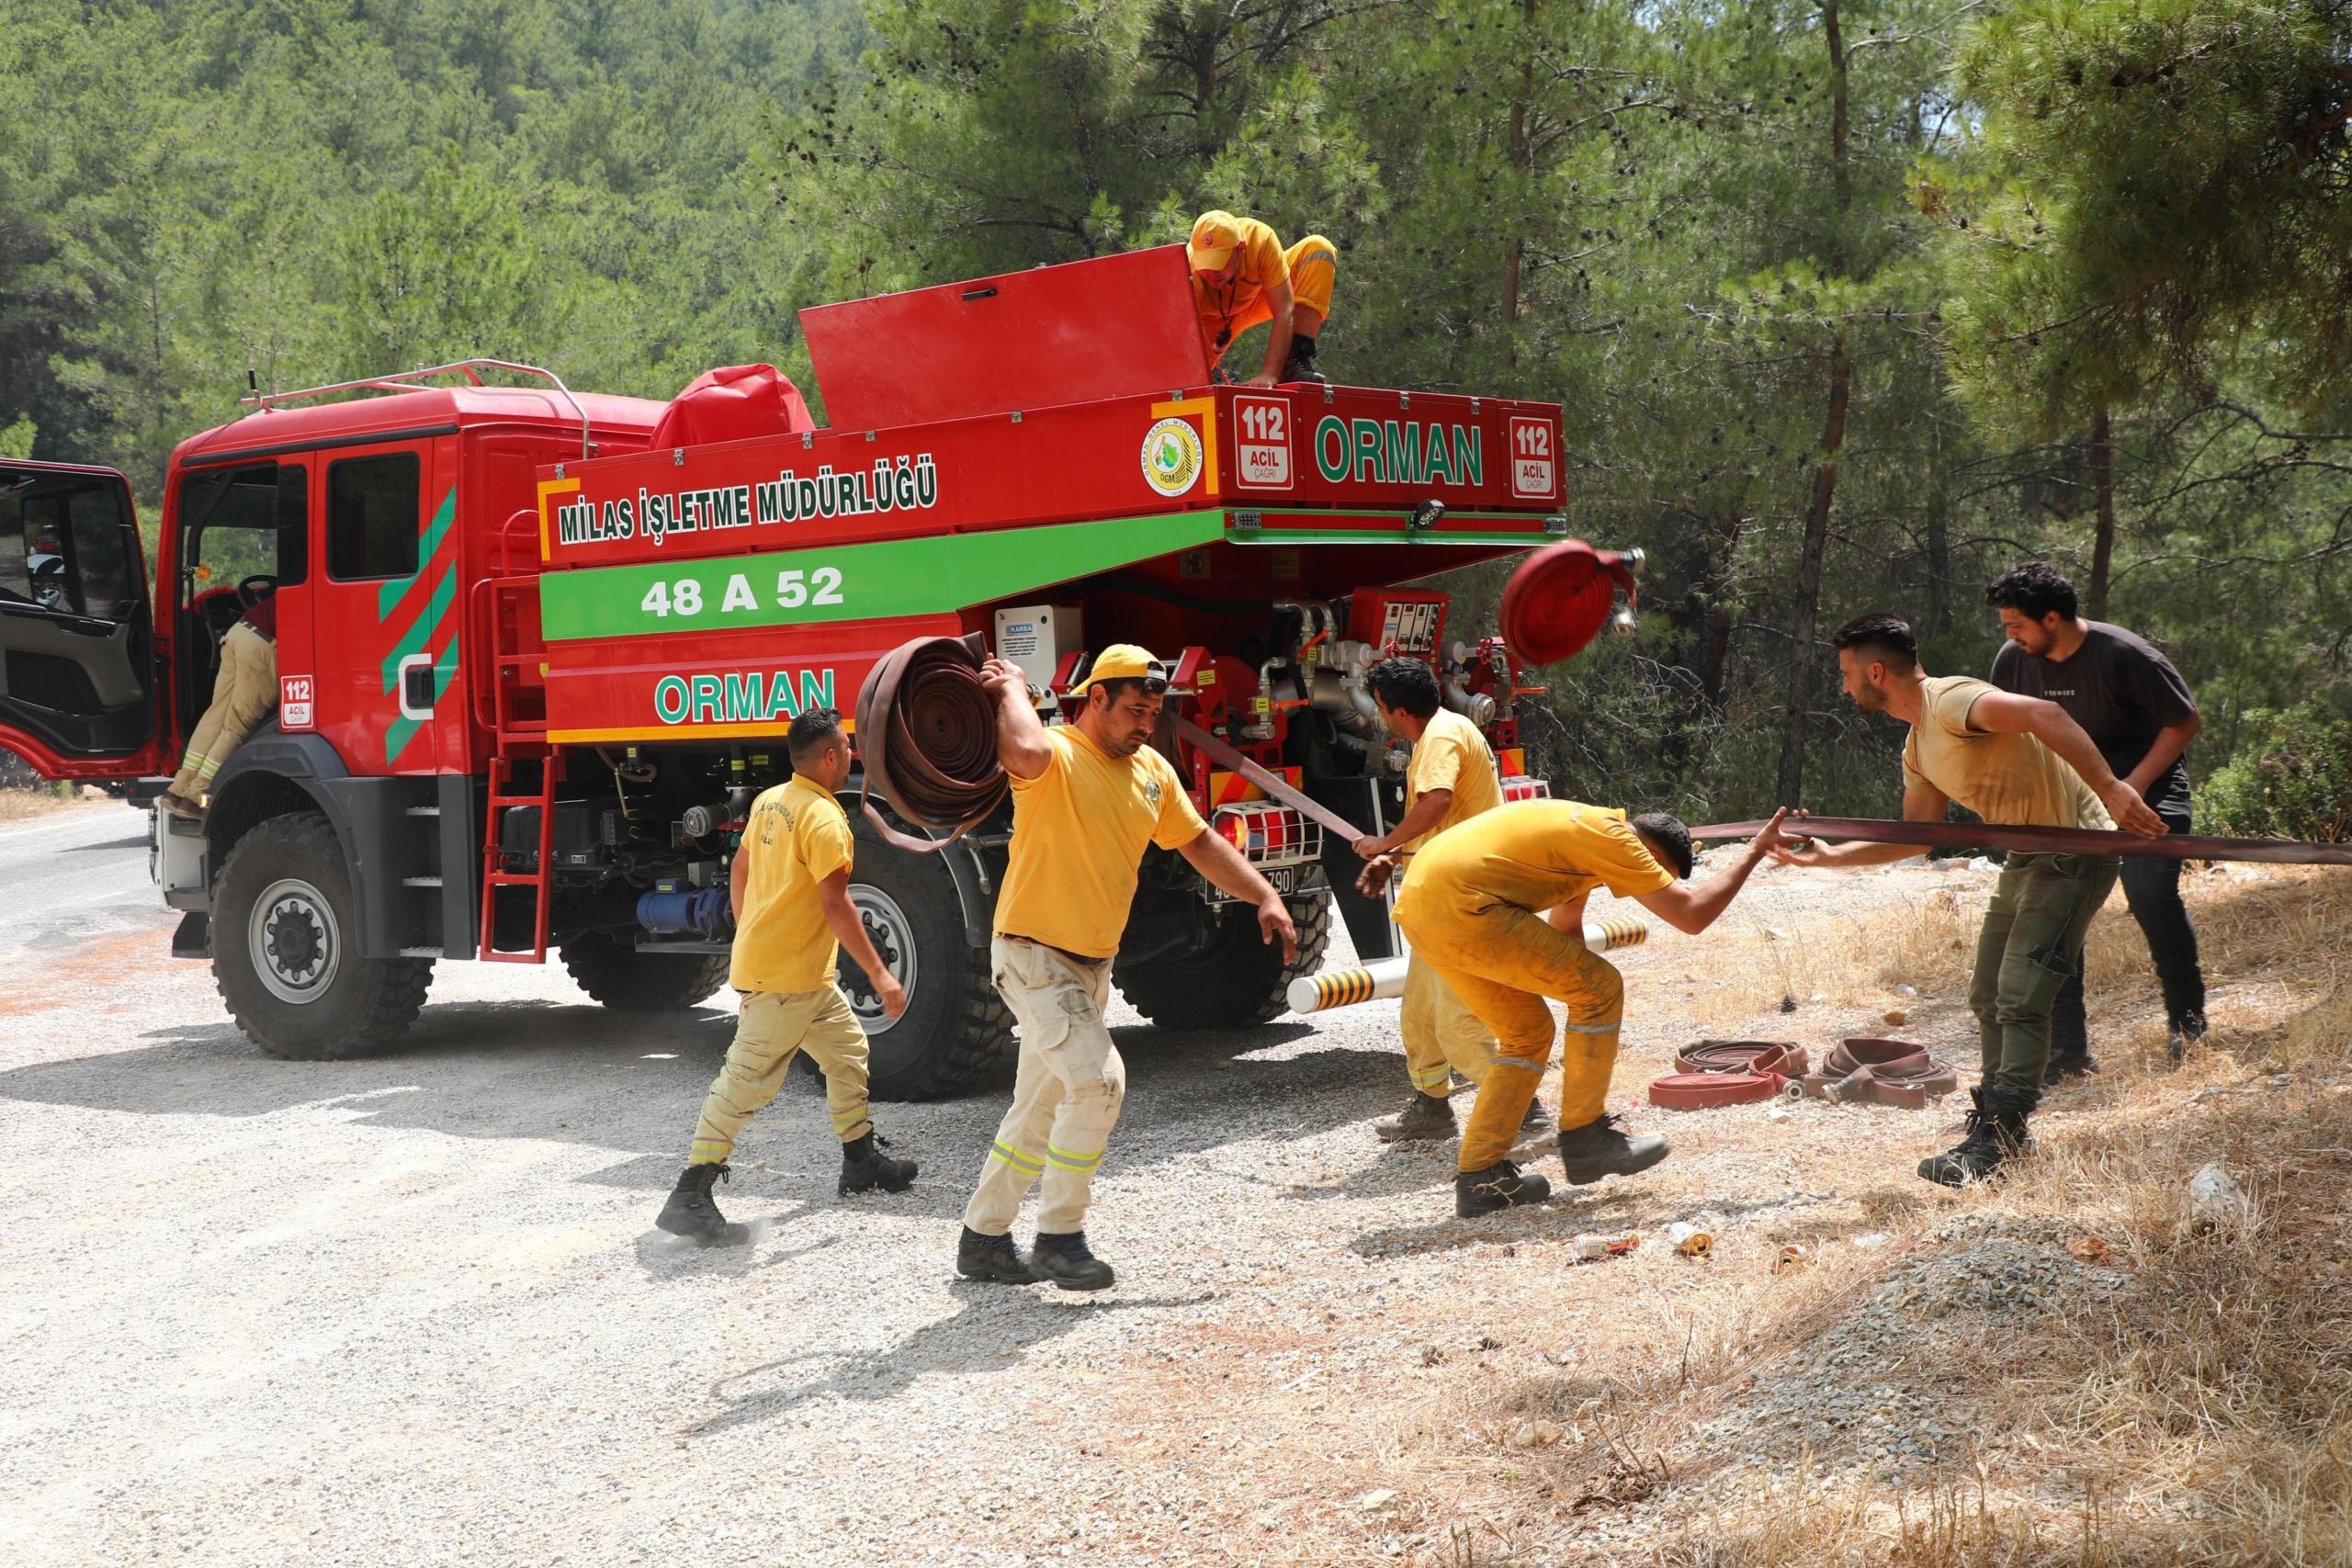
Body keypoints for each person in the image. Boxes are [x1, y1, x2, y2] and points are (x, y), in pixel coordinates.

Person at [1770, 614, 2165, 1187]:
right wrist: (1828, 857)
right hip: (2028, 859)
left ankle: (2003, 1139)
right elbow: (1920, 837)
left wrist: (2112, 788)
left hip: (2077, 851)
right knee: (1987, 994)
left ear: (1876, 672)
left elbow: (2045, 713)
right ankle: (1993, 1128)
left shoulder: (1952, 701)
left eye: (1847, 674)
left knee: (2021, 997)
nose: (1843, 685)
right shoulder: (1916, 747)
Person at [956, 644, 1299, 1291]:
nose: (1146, 723)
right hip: (1033, 954)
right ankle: (1060, 1235)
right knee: (1100, 1082)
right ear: (1096, 700)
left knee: (1038, 1106)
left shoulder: (1151, 771)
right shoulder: (1056, 753)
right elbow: (1021, 751)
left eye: (1154, 711)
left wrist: (1263, 893)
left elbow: (1198, 840)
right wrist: (1011, 688)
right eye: (1134, 710)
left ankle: (982, 1237)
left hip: (1089, 964)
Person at [1393, 798, 1792, 1217]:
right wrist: (1755, 851)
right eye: (1658, 879)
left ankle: (1481, 1179)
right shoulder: (1614, 839)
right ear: (1652, 856)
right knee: (1602, 987)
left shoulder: (1584, 837)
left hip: (1424, 909)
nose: (1644, 891)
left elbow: (1565, 930)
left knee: (1527, 1033)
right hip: (1465, 905)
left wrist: (1583, 1014)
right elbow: (1692, 915)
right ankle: (1585, 1139)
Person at [654, 708, 917, 1246]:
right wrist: (880, 974)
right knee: (744, 1082)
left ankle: (859, 1158)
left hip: (804, 977)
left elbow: (739, 870)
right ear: (828, 757)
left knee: (846, 1053)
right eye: (846, 747)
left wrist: (751, 927)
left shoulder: (769, 801)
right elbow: (838, 905)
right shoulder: (825, 820)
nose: (851, 754)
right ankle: (689, 1195)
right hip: (783, 982)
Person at [1986, 561, 2209, 1070]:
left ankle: (2187, 1024)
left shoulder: (2125, 655)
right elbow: (2004, 731)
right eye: (2006, 626)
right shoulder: (2011, 661)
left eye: (2016, 624)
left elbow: (2184, 720)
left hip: (2146, 785)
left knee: (2151, 895)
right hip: (2067, 798)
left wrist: (2131, 787)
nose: (2010, 635)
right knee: (2056, 909)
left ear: (2051, 619)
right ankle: (2067, 1050)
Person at [1350, 658, 1532, 1145]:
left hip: (1464, 897)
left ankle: (1522, 1106)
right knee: (1422, 1012)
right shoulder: (1449, 728)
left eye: (1383, 708)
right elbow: (1441, 819)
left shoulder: (1440, 738)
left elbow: (1437, 802)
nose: (1382, 718)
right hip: (1444, 895)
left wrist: (1384, 843)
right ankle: (1431, 1106)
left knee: (1457, 1020)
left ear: (1397, 709)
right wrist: (1398, 854)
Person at [159, 592, 277, 822]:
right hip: (263, 645)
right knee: (238, 725)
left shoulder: (280, 595)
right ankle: (197, 796)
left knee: (216, 715)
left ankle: (178, 789)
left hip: (239, 632)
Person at [1187, 210, 1339, 388]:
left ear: (1241, 248)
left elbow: (1284, 309)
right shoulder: (1187, 271)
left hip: (1260, 298)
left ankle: (1293, 364)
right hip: (1211, 320)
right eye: (1206, 264)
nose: (1211, 273)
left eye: (1219, 262)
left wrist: (1270, 374)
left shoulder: (1260, 239)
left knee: (1319, 249)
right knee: (1184, 385)